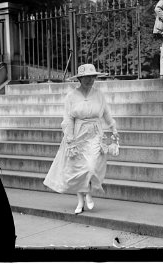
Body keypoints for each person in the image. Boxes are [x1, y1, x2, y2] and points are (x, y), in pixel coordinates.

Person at [43, 64, 119, 214]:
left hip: (95, 134)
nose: (89, 80)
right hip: (77, 135)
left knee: (91, 167)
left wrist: (114, 128)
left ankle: (89, 194)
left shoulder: (99, 94)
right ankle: (80, 200)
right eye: (86, 77)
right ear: (79, 78)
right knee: (78, 168)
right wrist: (70, 138)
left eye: (92, 77)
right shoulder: (71, 96)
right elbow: (68, 119)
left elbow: (106, 114)